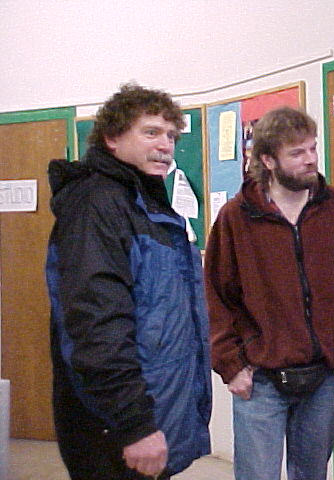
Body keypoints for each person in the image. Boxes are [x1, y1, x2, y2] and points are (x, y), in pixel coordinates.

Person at [204, 106, 334, 480]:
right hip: (260, 381)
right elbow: (216, 297)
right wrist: (230, 365)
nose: (310, 160)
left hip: (321, 377)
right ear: (268, 160)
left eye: (312, 148)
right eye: (297, 153)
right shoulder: (236, 218)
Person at [45, 83, 212, 480]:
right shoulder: (97, 204)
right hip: (112, 425)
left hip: (150, 409)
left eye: (171, 135)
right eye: (151, 132)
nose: (166, 145)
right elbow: (95, 323)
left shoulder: (145, 203)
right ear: (112, 138)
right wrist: (134, 424)